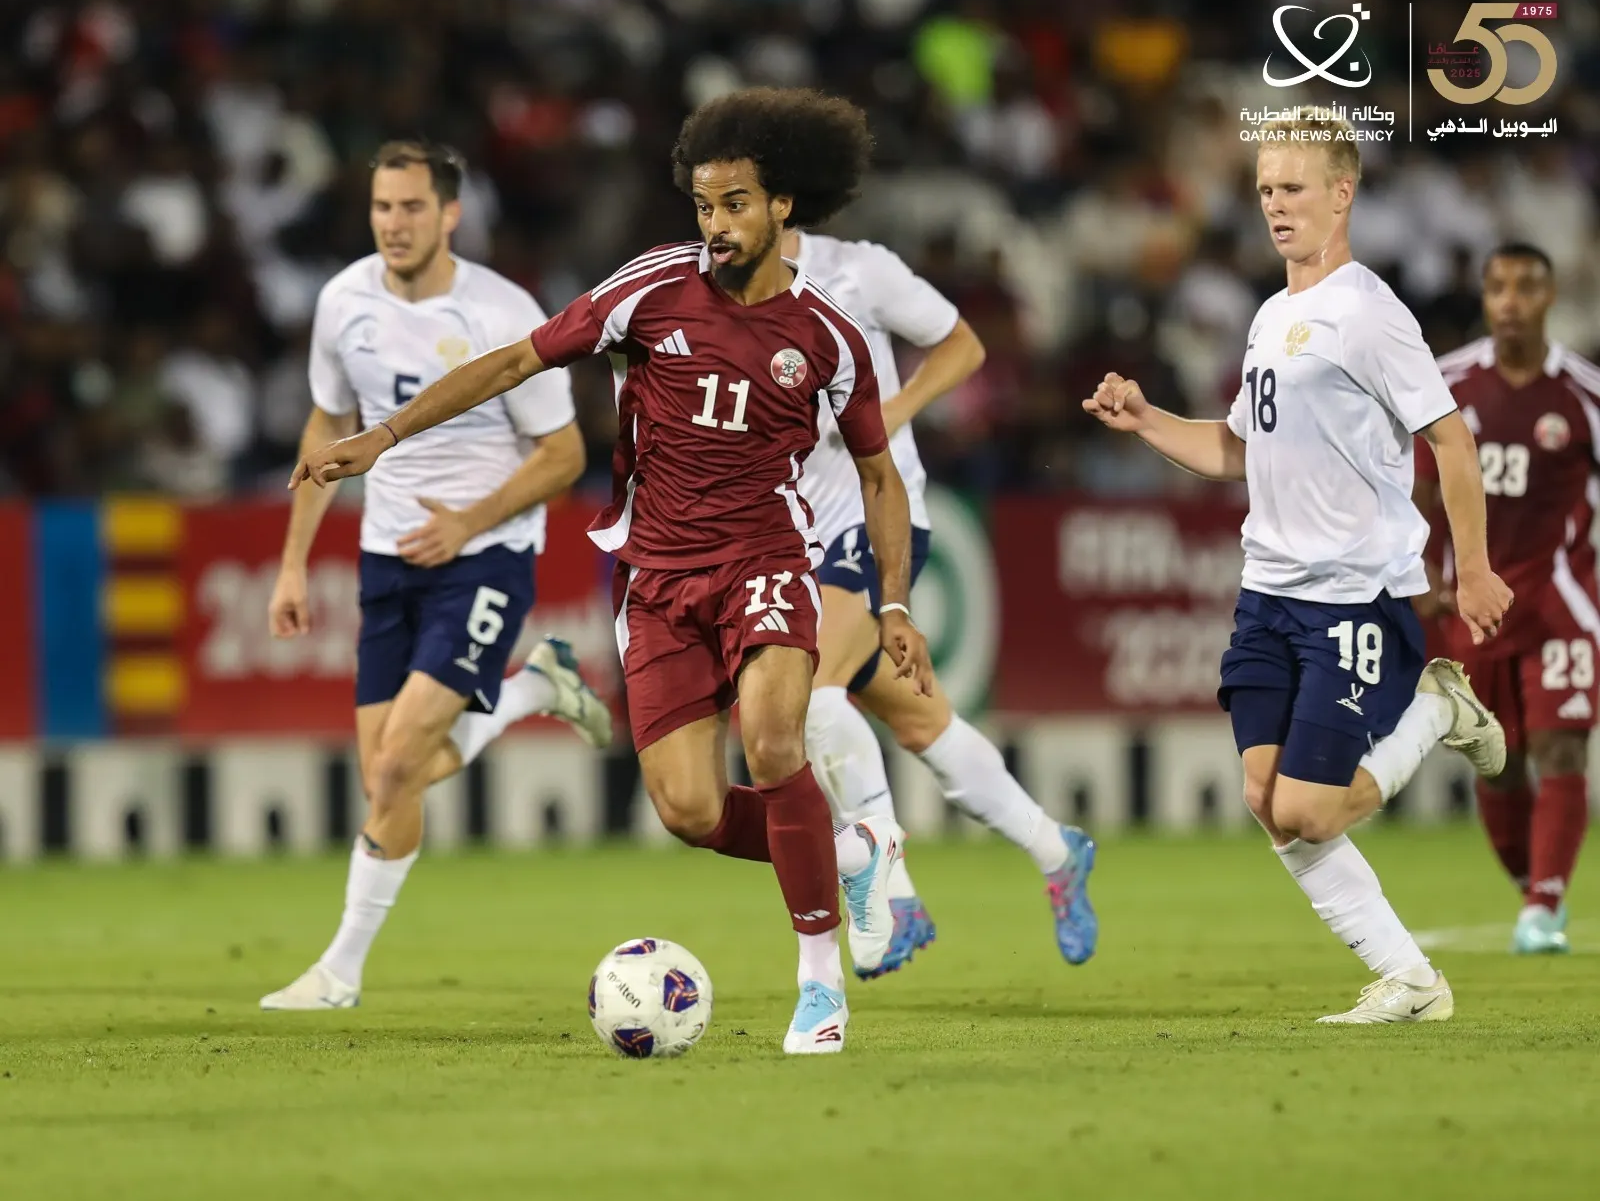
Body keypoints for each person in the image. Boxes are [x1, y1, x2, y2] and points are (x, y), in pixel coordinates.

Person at [290, 89, 934, 1055]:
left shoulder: (828, 337)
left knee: (771, 741)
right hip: (659, 577)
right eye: (705, 206)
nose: (716, 226)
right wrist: (381, 435)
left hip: (764, 561)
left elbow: (881, 476)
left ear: (782, 208)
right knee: (686, 809)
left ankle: (817, 986)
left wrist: (890, 600)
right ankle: (850, 848)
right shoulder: (651, 291)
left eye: (736, 205)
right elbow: (513, 364)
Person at [1083, 108, 1513, 1023]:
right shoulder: (1273, 315)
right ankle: (1412, 981)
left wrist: (1469, 566)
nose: (1276, 206)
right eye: (1266, 190)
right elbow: (1240, 448)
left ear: (1343, 193)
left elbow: (1452, 440)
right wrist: (1149, 420)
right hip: (1268, 593)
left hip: (1355, 596)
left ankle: (1437, 709)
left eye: (1294, 188)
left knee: (1311, 812)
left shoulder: (1369, 312)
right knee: (1264, 798)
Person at [259, 140, 612, 1012]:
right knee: (387, 772)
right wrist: (294, 562)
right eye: (383, 208)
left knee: (399, 763)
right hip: (387, 556)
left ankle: (339, 973)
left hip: (484, 556)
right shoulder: (343, 302)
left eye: (413, 208)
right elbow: (327, 432)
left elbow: (565, 454)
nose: (395, 224)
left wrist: (468, 521)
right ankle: (535, 690)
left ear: (450, 213)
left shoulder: (502, 312)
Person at [787, 228, 1098, 977]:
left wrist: (894, 412)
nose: (719, 223)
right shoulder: (724, 292)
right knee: (922, 722)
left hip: (878, 520)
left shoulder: (857, 269)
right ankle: (1057, 849)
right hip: (791, 539)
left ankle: (892, 894)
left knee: (814, 694)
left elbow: (962, 345)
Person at [1414, 243, 1599, 954]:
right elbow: (1421, 493)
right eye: (1498, 287)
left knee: (1560, 748)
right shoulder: (1445, 382)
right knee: (1498, 763)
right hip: (1475, 610)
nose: (1512, 300)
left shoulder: (1584, 393)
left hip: (1562, 603)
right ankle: (1535, 885)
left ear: (1551, 296)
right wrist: (1423, 574)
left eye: (1526, 286)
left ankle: (1543, 904)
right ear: (1486, 299)